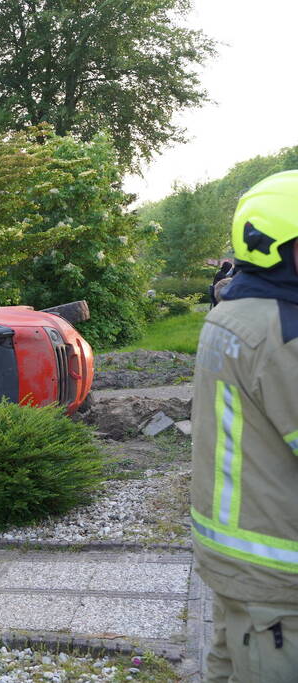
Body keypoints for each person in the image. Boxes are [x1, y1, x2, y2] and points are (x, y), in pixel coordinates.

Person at [191, 170, 298, 681]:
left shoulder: (231, 312)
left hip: (238, 558)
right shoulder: (284, 334)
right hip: (281, 580)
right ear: (280, 245)